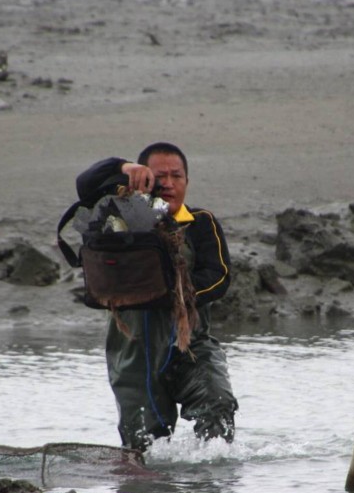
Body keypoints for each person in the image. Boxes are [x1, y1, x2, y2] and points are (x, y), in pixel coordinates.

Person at [75, 142, 238, 451]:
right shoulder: (119, 219)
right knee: (144, 445)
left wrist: (170, 296)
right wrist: (123, 167)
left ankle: (209, 487)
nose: (168, 183)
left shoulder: (201, 222)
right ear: (142, 179)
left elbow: (219, 276)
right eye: (158, 175)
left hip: (191, 346)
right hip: (133, 352)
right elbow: (85, 184)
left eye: (177, 176)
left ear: (187, 182)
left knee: (218, 404)